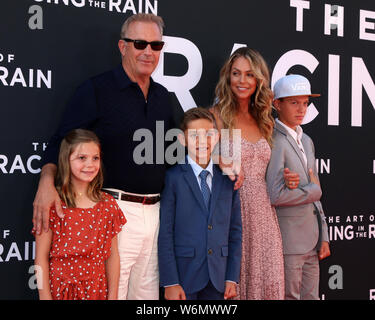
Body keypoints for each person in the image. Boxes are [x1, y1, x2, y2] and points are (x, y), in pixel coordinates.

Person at [32, 13, 176, 300]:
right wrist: (45, 183)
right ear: (123, 47)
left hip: (158, 215)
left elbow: (179, 150)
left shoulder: (164, 97)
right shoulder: (96, 89)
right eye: (140, 43)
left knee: (146, 298)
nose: (148, 51)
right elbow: (61, 141)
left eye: (156, 45)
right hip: (113, 213)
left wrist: (224, 159)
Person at [210, 47, 290, 300]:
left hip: (265, 216)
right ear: (228, 77)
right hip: (232, 210)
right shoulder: (217, 115)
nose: (242, 81)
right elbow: (190, 154)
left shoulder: (264, 119)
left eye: (249, 75)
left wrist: (286, 178)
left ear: (258, 80)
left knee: (267, 281)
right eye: (236, 73)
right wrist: (221, 159)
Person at [158, 107, 242, 300]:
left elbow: (235, 231)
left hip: (219, 278)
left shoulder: (228, 178)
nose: (202, 141)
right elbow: (165, 233)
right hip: (184, 277)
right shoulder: (173, 178)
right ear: (182, 139)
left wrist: (231, 277)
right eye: (194, 135)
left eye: (208, 134)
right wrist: (171, 281)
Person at [34, 129, 126, 300]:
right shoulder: (52, 205)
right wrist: (44, 296)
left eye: (95, 158)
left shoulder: (108, 205)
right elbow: (40, 258)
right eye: (82, 158)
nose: (90, 164)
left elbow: (113, 256)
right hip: (60, 290)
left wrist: (113, 295)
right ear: (66, 160)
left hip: (96, 290)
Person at [266, 74, 331, 300]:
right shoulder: (273, 140)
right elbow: (274, 194)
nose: (301, 109)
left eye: (305, 103)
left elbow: (316, 193)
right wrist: (312, 190)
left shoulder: (306, 140)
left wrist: (324, 234)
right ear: (277, 104)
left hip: (312, 239)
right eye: (294, 102)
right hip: (290, 243)